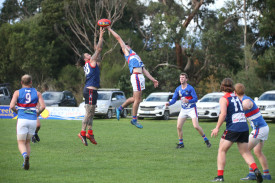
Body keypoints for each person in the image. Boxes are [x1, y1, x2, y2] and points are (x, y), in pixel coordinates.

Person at [211, 78, 263, 182]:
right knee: (245, 152)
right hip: (244, 127)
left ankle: (220, 177)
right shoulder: (237, 97)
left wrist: (217, 127)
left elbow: (223, 114)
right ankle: (256, 170)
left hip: (233, 128)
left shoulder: (223, 98)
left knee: (222, 150)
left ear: (222, 86)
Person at [107, 26, 159, 129]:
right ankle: (134, 119)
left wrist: (153, 79)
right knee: (138, 100)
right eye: (126, 45)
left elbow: (144, 70)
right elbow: (118, 38)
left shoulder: (136, 55)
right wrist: (109, 28)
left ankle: (120, 108)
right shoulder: (127, 53)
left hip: (140, 77)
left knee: (135, 99)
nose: (128, 46)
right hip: (136, 77)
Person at [235, 83, 271, 180]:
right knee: (257, 151)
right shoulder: (243, 99)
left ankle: (252, 174)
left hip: (259, 129)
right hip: (263, 128)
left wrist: (239, 108)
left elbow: (247, 104)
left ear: (235, 92)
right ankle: (267, 175)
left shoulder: (245, 100)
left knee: (245, 150)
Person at [165, 73, 211, 148]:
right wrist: (169, 103)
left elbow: (195, 99)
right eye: (180, 78)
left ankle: (206, 139)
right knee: (178, 127)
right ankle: (181, 144)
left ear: (186, 79)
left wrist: (188, 101)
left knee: (196, 126)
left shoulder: (190, 88)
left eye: (183, 77)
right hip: (184, 110)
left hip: (192, 109)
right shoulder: (178, 89)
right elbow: (174, 99)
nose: (181, 79)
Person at [10, 74, 45, 170]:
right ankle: (26, 160)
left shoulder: (17, 92)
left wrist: (18, 112)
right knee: (28, 142)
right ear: (31, 82)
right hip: (33, 120)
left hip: (22, 119)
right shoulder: (37, 93)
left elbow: (12, 106)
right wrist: (37, 114)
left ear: (21, 82)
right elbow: (43, 107)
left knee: (21, 142)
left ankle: (25, 156)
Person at [77, 27, 105, 146]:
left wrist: (99, 47)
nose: (89, 54)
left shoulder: (92, 63)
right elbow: (98, 49)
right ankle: (82, 133)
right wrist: (101, 36)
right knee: (88, 113)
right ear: (86, 59)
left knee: (91, 113)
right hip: (89, 91)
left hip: (92, 91)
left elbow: (99, 54)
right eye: (87, 54)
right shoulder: (90, 61)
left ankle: (90, 133)